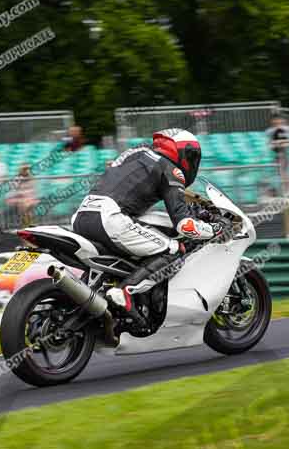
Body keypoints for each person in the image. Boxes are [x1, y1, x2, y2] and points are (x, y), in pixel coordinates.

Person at [71, 128, 221, 319]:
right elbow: (184, 224)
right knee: (173, 249)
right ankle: (124, 291)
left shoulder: (137, 154)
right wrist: (213, 229)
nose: (192, 162)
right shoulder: (171, 169)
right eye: (191, 156)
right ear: (181, 152)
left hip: (82, 216)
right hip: (110, 218)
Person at [265, 116, 289, 192]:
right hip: (276, 154)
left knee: (286, 172)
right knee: (280, 173)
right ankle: (283, 190)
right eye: (276, 123)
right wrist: (275, 145)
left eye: (280, 122)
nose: (278, 124)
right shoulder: (270, 131)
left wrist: (283, 145)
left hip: (286, 154)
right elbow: (269, 143)